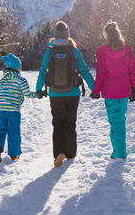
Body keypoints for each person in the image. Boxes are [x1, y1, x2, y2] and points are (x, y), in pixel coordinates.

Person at [36, 21, 94, 167]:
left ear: (55, 34)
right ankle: (71, 152)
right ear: (67, 34)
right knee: (70, 123)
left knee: (58, 123)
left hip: (55, 93)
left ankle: (58, 153)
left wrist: (38, 89)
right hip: (72, 93)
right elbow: (84, 70)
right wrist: (95, 88)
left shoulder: (50, 50)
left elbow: (43, 70)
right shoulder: (74, 50)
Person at [90, 21, 135, 160]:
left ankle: (119, 154)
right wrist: (134, 88)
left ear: (106, 35)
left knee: (115, 123)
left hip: (110, 92)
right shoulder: (127, 49)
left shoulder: (101, 51)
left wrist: (96, 90)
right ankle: (119, 151)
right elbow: (132, 70)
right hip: (124, 91)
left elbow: (101, 73)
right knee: (120, 121)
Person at [0, 53, 36, 164]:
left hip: (1, 111)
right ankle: (14, 155)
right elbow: (28, 94)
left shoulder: (2, 80)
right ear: (17, 67)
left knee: (0, 131)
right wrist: (38, 94)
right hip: (13, 112)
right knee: (13, 132)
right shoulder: (21, 80)